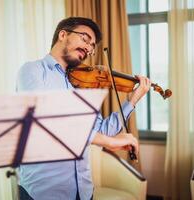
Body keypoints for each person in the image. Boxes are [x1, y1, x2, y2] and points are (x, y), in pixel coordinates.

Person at [16, 17, 151, 200]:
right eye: (85, 39)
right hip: (45, 192)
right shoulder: (33, 70)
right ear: (63, 34)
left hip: (83, 190)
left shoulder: (81, 86)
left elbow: (101, 129)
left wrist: (132, 100)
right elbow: (48, 121)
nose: (89, 48)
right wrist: (108, 142)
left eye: (92, 46)